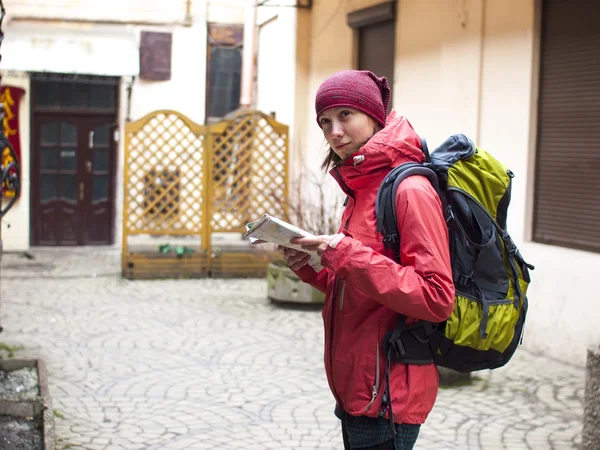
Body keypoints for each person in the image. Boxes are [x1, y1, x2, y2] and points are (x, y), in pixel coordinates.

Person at [278, 70, 455, 450]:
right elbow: (362, 285)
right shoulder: (362, 187)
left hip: (389, 395)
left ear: (374, 116)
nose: (334, 132)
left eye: (345, 116)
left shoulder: (410, 190)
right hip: (358, 387)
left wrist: (341, 252)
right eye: (325, 121)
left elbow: (436, 297)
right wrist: (309, 267)